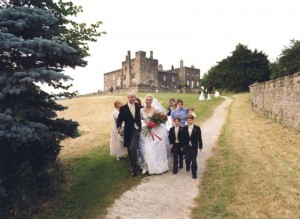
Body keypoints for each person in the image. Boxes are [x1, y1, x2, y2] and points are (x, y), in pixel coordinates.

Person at [138, 94, 170, 175]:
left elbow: (161, 119)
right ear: (145, 100)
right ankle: (148, 166)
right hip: (147, 131)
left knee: (158, 149)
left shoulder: (155, 109)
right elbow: (139, 120)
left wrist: (156, 122)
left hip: (157, 131)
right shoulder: (141, 110)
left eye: (150, 100)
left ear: (152, 101)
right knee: (147, 149)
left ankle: (160, 166)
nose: (148, 101)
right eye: (147, 99)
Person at [117, 91, 142, 177]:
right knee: (129, 148)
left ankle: (134, 169)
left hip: (136, 129)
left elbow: (146, 110)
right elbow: (119, 119)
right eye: (131, 97)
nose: (133, 98)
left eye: (134, 97)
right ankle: (133, 166)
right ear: (128, 97)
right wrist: (118, 126)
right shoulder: (123, 108)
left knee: (133, 147)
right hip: (127, 130)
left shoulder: (138, 106)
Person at [182, 114, 203, 179]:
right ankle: (187, 166)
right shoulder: (184, 128)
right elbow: (183, 138)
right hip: (187, 146)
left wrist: (200, 146)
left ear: (193, 120)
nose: (188, 121)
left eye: (190, 120)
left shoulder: (197, 128)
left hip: (194, 146)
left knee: (193, 160)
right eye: (187, 120)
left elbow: (199, 138)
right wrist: (182, 146)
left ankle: (194, 173)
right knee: (187, 158)